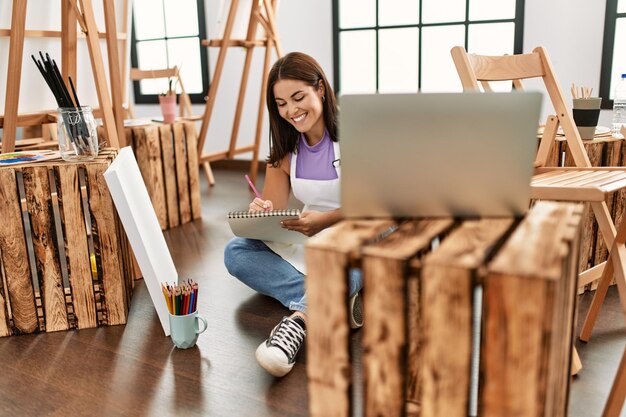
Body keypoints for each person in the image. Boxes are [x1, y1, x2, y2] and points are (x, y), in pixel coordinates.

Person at [224, 52, 363, 377]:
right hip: (310, 236)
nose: (291, 110)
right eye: (281, 103)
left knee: (350, 263)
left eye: (298, 97)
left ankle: (298, 322)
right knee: (236, 253)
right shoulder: (286, 152)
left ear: (321, 90)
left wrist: (324, 222)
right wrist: (260, 213)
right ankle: (329, 298)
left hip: (357, 231)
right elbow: (274, 211)